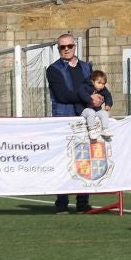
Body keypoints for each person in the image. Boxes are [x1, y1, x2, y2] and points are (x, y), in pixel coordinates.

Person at [44, 34, 93, 214]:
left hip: (84, 117)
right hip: (63, 118)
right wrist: (89, 98)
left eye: (69, 46)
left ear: (75, 46)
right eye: (62, 47)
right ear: (58, 49)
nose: (66, 49)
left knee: (84, 158)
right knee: (63, 160)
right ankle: (62, 203)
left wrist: (101, 98)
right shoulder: (53, 69)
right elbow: (62, 95)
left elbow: (94, 88)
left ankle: (83, 203)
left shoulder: (87, 67)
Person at [80, 69, 114, 140]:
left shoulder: (103, 89)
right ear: (93, 82)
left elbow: (108, 95)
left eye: (103, 84)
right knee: (91, 112)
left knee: (104, 113)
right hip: (84, 110)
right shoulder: (85, 86)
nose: (101, 85)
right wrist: (90, 100)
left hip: (96, 110)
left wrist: (108, 104)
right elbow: (82, 93)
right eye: (99, 83)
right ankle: (91, 130)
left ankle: (105, 129)